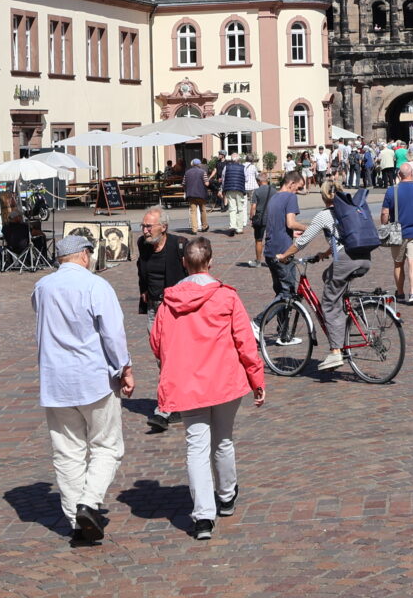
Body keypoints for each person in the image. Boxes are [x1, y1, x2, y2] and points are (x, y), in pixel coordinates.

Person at [148, 236, 265, 541]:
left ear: (184, 263)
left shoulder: (169, 301)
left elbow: (157, 342)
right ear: (210, 262)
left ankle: (203, 516)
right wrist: (256, 380)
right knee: (223, 440)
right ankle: (225, 496)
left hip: (188, 383)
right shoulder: (226, 297)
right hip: (224, 381)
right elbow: (246, 343)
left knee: (196, 446)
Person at [32, 235, 133, 547]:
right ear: (85, 256)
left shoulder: (42, 287)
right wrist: (124, 368)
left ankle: (77, 521)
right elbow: (112, 333)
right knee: (106, 446)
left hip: (56, 380)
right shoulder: (95, 285)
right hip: (94, 379)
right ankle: (88, 504)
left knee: (68, 452)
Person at [275, 177, 375, 371]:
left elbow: (303, 241)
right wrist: (325, 254)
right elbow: (343, 238)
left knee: (328, 304)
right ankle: (342, 321)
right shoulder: (349, 209)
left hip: (346, 260)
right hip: (364, 257)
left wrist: (284, 255)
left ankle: (336, 352)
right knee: (328, 278)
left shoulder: (324, 215)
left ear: (323, 197)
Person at [135, 208, 190, 434]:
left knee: (171, 359)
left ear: (163, 227)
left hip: (175, 310)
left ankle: (167, 408)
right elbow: (142, 270)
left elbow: (195, 273)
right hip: (153, 309)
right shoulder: (142, 244)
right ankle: (176, 402)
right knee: (161, 358)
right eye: (144, 226)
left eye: (149, 226)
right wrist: (144, 291)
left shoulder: (180, 245)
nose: (145, 231)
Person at [380, 160, 413, 305]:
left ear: (399, 175)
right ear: (412, 173)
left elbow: (384, 213)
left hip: (396, 232)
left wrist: (384, 227)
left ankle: (400, 292)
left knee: (398, 264)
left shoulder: (391, 191)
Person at [262, 169, 305, 296]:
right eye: (298, 188)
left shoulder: (274, 197)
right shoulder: (290, 197)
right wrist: (309, 228)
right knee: (288, 294)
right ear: (291, 183)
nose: (297, 192)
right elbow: (291, 223)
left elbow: (276, 224)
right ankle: (261, 317)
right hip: (283, 251)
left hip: (270, 251)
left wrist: (291, 234)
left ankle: (275, 315)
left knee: (280, 293)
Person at [245, 168, 277, 268]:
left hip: (260, 218)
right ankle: (272, 260)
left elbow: (253, 207)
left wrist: (251, 218)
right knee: (271, 239)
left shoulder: (257, 192)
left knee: (258, 240)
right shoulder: (274, 190)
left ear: (259, 181)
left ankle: (258, 261)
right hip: (271, 218)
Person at [219, 153, 250, 236]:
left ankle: (232, 225)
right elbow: (247, 179)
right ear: (238, 160)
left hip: (229, 190)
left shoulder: (226, 167)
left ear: (231, 160)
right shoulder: (243, 168)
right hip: (240, 189)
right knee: (240, 209)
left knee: (232, 209)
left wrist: (223, 189)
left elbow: (223, 179)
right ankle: (239, 228)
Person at [183, 159, 210, 234]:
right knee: (203, 210)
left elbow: (184, 184)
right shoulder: (202, 172)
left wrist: (186, 191)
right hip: (201, 194)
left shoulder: (187, 172)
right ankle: (204, 226)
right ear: (199, 164)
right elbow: (207, 184)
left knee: (193, 212)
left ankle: (194, 229)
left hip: (191, 194)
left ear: (192, 164)